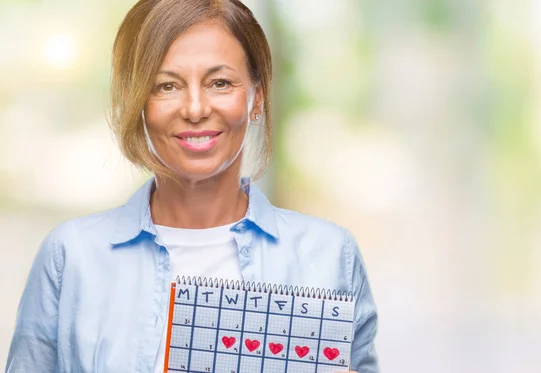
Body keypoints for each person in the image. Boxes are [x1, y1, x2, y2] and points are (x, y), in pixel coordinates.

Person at [5, 0, 379, 372]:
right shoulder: (70, 257)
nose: (196, 109)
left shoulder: (330, 256)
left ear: (257, 97)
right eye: (166, 86)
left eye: (220, 82)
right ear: (136, 101)